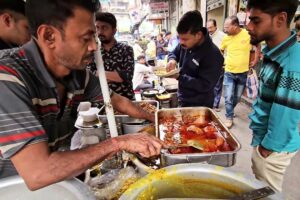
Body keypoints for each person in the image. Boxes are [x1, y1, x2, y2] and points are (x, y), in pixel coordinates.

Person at [0, 0, 165, 190]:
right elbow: (39, 172)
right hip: (14, 190)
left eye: (94, 37)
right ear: (49, 36)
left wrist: (156, 118)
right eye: (86, 38)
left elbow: (116, 100)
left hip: (58, 183)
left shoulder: (78, 75)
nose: (95, 47)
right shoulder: (7, 78)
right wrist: (118, 143)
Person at [246, 0, 300, 192]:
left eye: (256, 20)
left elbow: (286, 117)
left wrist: (266, 151)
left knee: (268, 195)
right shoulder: (273, 52)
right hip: (265, 141)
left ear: (280, 19)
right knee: (261, 189)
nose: (248, 26)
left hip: (273, 148)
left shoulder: (293, 64)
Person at [167, 10, 223, 107]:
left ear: (198, 35)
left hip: (200, 104)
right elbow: (174, 52)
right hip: (183, 97)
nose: (181, 42)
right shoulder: (185, 44)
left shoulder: (213, 55)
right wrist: (172, 60)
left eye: (184, 39)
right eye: (179, 38)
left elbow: (205, 85)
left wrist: (179, 77)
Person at [221, 16, 254, 128]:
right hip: (229, 71)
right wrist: (222, 61)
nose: (225, 29)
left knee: (237, 97)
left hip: (243, 72)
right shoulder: (226, 38)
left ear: (235, 26)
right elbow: (221, 49)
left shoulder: (247, 34)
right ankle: (229, 116)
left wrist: (256, 58)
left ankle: (230, 110)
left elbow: (257, 44)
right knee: (228, 96)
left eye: (227, 27)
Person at [95, 12, 135, 100]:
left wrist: (100, 74)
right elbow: (91, 77)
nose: (100, 32)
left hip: (126, 102)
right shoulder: (94, 52)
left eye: (104, 27)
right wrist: (117, 76)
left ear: (114, 30)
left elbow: (127, 76)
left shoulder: (126, 49)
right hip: (102, 104)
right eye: (97, 28)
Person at [207, 19, 225, 112]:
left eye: (211, 27)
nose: (209, 29)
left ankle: (215, 105)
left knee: (217, 85)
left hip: (218, 65)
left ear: (215, 26)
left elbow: (226, 51)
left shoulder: (222, 36)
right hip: (208, 65)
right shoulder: (207, 36)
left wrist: (223, 62)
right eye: (208, 27)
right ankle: (211, 102)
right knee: (210, 84)